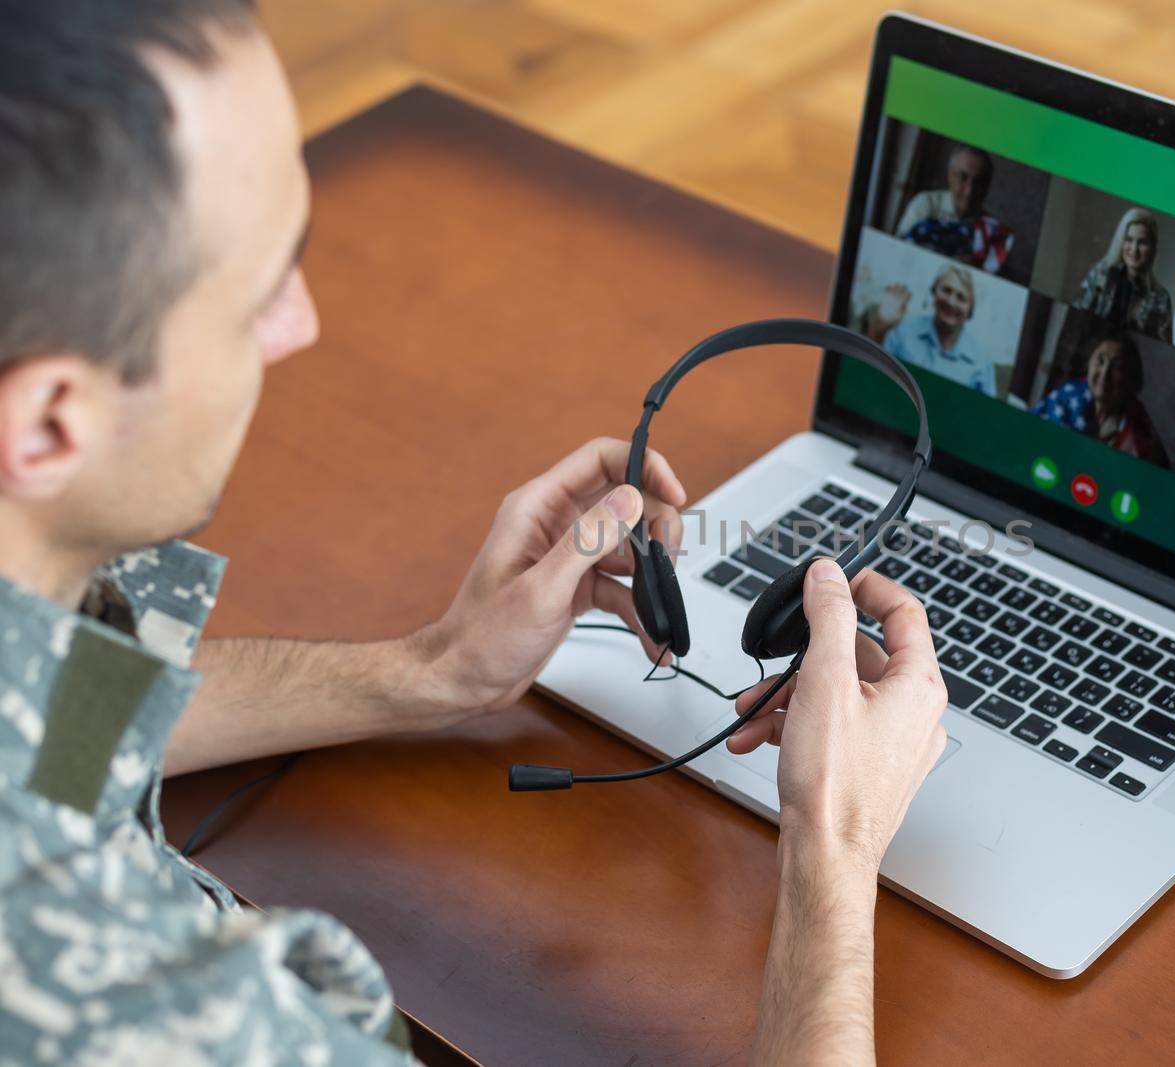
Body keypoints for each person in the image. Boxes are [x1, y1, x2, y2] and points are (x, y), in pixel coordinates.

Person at [0, 4, 948, 1063]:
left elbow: (54, 724)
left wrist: (434, 668)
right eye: (257, 291)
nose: (301, 322)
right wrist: (832, 844)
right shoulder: (152, 1017)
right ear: (47, 422)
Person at [1031, 331, 1169, 467]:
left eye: (1117, 366)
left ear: (1130, 377)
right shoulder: (1067, 396)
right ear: (1089, 363)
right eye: (1100, 360)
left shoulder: (1141, 430)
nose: (1105, 373)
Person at [865, 265, 995, 396]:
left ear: (969, 311)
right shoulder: (901, 328)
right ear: (934, 292)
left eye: (961, 298)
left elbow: (989, 414)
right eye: (946, 290)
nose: (951, 301)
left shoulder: (982, 362)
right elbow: (869, 377)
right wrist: (879, 328)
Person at [894, 143, 1015, 274]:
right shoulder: (925, 203)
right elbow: (898, 253)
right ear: (950, 175)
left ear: (987, 187)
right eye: (963, 177)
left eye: (979, 182)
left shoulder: (990, 229)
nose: (969, 191)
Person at [1069, 206, 1173, 342]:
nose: (1134, 249)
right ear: (1121, 241)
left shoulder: (1161, 298)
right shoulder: (1100, 274)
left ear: (1153, 247)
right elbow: (1076, 317)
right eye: (1129, 240)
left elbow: (1162, 347)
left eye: (1142, 243)